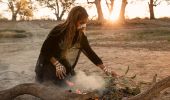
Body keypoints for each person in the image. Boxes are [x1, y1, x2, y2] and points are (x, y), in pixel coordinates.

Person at [35, 6, 117, 87]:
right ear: (73, 20)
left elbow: (90, 52)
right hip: (48, 60)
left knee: (71, 78)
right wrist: (57, 64)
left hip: (61, 60)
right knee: (53, 84)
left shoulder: (80, 35)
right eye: (81, 23)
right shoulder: (58, 30)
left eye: (85, 23)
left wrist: (106, 70)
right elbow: (44, 50)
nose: (84, 26)